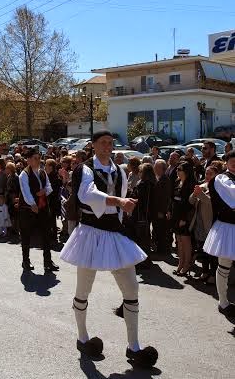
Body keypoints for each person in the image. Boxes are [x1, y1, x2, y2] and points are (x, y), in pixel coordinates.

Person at [60, 130, 158, 368]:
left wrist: (126, 205)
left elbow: (120, 199)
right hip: (90, 233)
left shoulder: (119, 170)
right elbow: (87, 194)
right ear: (93, 146)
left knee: (132, 288)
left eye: (110, 143)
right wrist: (118, 202)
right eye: (103, 143)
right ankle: (82, 337)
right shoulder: (84, 169)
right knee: (84, 289)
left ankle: (133, 347)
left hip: (114, 232)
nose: (107, 146)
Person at [203, 149, 235, 317]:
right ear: (226, 163)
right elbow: (233, 198)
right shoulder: (222, 179)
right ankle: (223, 302)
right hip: (228, 227)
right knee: (224, 266)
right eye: (232, 161)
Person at [18, 148, 59, 272]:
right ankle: (26, 261)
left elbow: (49, 186)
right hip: (28, 209)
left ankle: (48, 261)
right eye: (35, 158)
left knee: (46, 235)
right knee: (26, 236)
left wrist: (45, 191)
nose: (38, 160)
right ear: (29, 160)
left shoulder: (42, 172)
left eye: (39, 157)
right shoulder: (24, 174)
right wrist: (32, 204)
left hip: (42, 207)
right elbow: (26, 192)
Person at [189, 166, 218, 284]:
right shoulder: (202, 186)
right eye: (206, 173)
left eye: (210, 174)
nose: (207, 176)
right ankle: (205, 271)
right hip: (199, 223)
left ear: (216, 175)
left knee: (212, 252)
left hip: (211, 223)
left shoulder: (218, 188)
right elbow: (191, 200)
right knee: (202, 250)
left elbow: (210, 202)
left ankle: (213, 274)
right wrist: (195, 194)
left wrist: (200, 194)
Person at [170, 162, 196, 277]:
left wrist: (184, 218)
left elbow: (190, 205)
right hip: (176, 215)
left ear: (186, 171)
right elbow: (173, 199)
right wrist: (169, 211)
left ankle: (186, 265)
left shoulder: (191, 185)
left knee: (185, 241)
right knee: (179, 241)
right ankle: (180, 263)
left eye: (179, 169)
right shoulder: (177, 182)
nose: (177, 171)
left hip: (185, 217)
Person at [153, 159, 171, 254]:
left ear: (162, 169)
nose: (154, 168)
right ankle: (158, 247)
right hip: (155, 209)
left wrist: (162, 211)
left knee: (162, 230)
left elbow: (165, 197)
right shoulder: (156, 178)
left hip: (161, 210)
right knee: (157, 229)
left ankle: (162, 250)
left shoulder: (165, 180)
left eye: (157, 166)